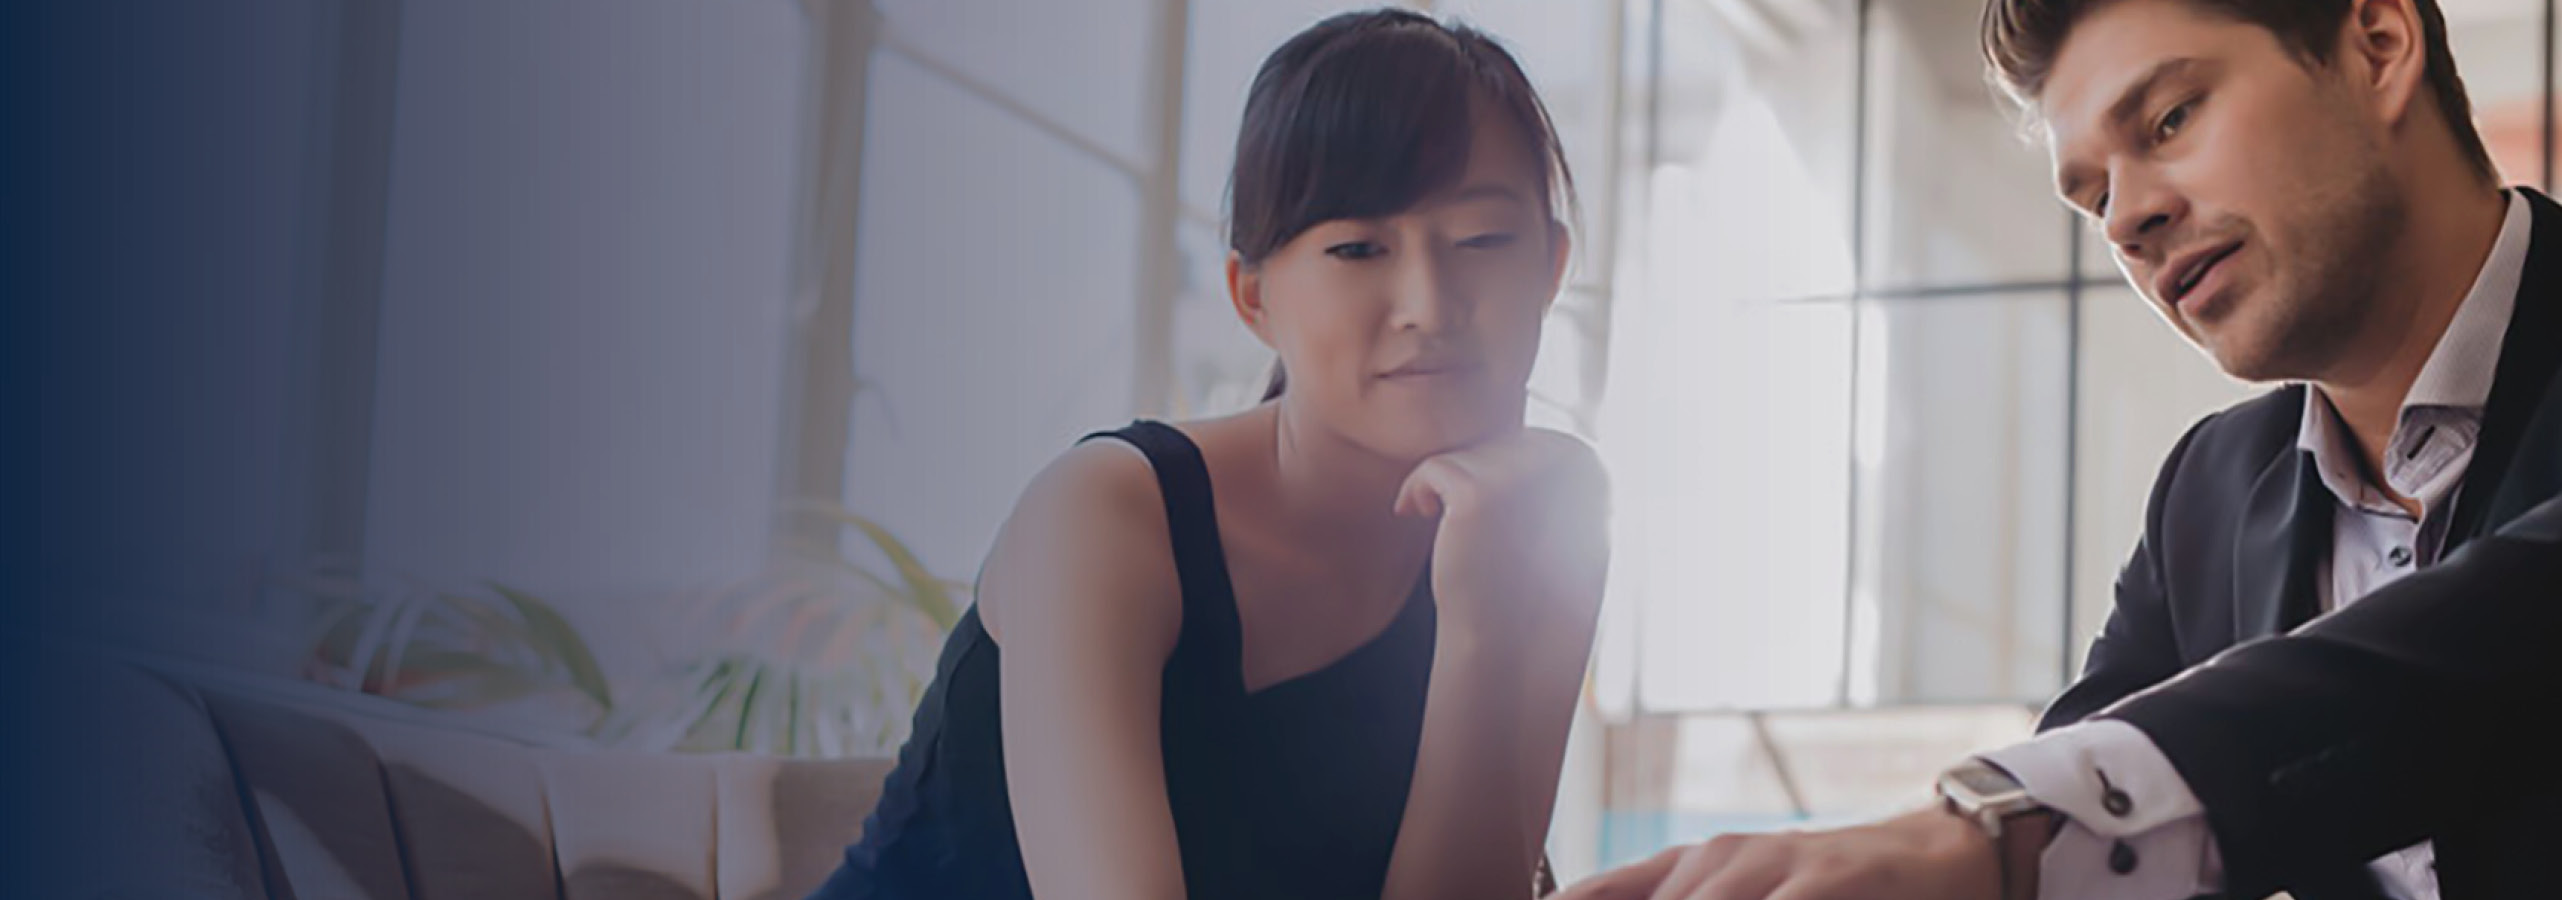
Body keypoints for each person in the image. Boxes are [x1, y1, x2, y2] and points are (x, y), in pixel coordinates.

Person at [1559, 0, 2562, 897]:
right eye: (2091, 198)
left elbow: (2499, 632)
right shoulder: (2207, 497)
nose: (2128, 219)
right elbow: (2064, 817)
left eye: (2170, 118)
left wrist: (1997, 836)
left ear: (2378, 44)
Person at [809, 9, 1606, 900]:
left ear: (1551, 267)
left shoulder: (1547, 518)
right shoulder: (1109, 512)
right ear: (1252, 297)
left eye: (1482, 240)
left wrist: (1485, 625)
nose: (1427, 302)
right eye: (1357, 248)